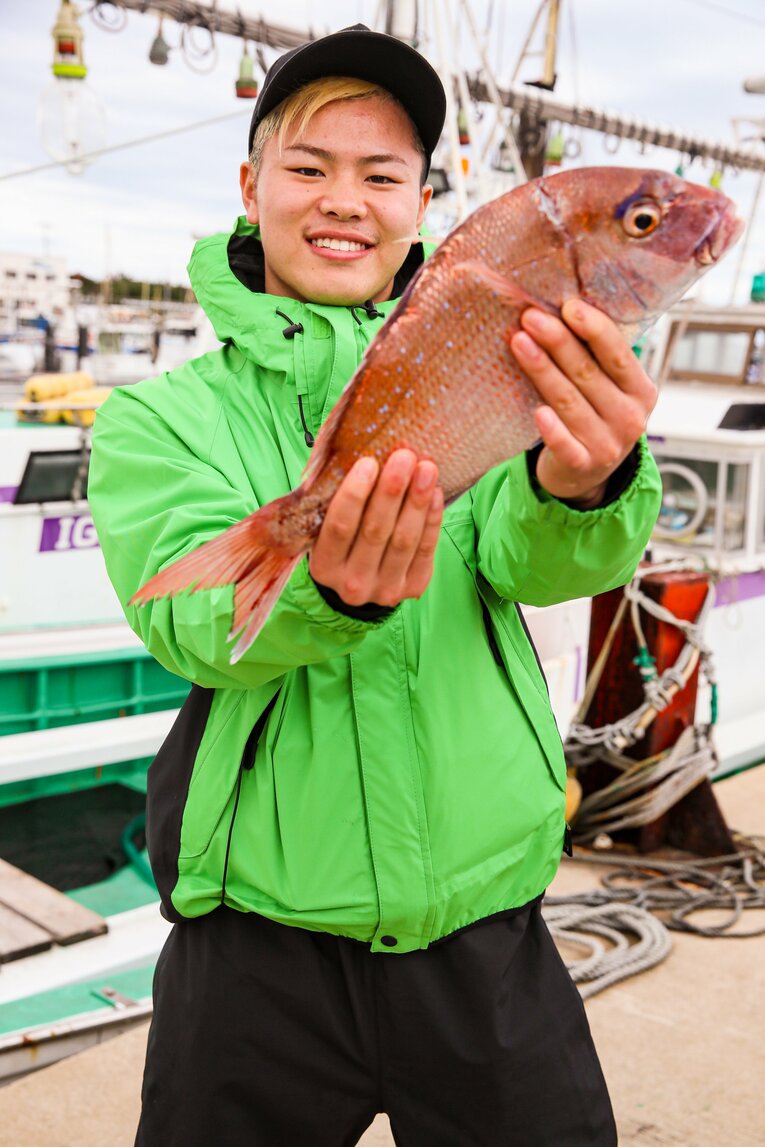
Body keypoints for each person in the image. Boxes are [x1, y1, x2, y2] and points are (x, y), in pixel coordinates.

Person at [89, 24, 662, 1147]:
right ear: (250, 188)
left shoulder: (499, 350)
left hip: (486, 930)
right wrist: (329, 593)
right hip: (254, 948)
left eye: (382, 175)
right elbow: (191, 623)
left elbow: (539, 563)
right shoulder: (158, 418)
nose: (343, 201)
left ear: (421, 201)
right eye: (307, 167)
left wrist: (586, 482)